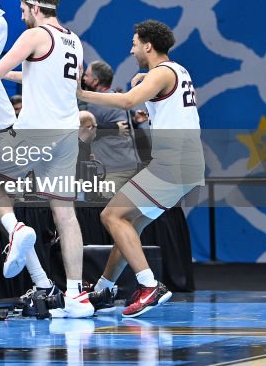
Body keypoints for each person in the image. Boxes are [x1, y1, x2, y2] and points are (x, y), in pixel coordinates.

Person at [0, 0, 93, 318]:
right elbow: (45, 76)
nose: (22, 15)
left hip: (35, 130)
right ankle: (76, 296)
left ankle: (16, 230)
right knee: (66, 214)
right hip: (66, 132)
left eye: (24, 10)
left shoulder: (34, 35)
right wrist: (7, 73)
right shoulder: (74, 41)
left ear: (35, 8)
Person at [78, 20, 203, 318]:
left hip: (174, 163)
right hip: (187, 163)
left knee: (111, 215)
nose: (131, 49)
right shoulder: (176, 70)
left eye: (134, 44)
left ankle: (150, 286)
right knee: (128, 226)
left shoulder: (161, 73)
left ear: (148, 46)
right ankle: (104, 288)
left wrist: (80, 93)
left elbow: (127, 101)